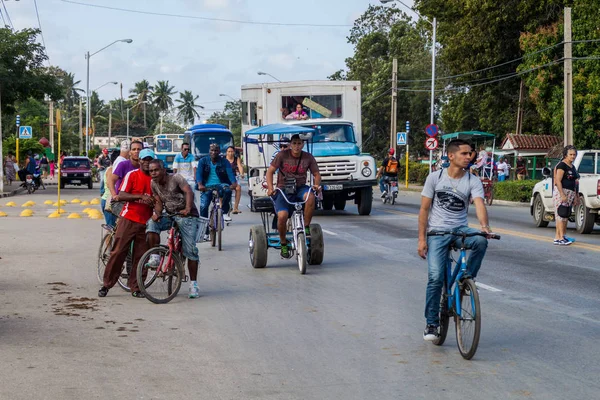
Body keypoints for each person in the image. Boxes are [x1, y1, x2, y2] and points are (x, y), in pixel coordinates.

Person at [417, 139, 491, 341]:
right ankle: (432, 323)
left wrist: (484, 227)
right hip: (437, 233)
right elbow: (424, 210)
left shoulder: (472, 180)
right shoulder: (435, 178)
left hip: (460, 230)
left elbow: (479, 204)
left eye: (471, 154)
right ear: (451, 156)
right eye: (465, 154)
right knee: (435, 277)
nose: (469, 157)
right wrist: (422, 239)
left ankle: (464, 281)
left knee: (480, 241)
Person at [98, 149, 156, 298]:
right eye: (145, 159)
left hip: (146, 222)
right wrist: (141, 196)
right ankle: (107, 284)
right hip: (129, 218)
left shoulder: (156, 178)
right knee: (118, 252)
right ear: (140, 161)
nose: (147, 163)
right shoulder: (133, 174)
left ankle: (136, 287)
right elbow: (122, 194)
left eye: (150, 160)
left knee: (141, 256)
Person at [147, 159, 202, 298]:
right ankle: (155, 256)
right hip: (171, 215)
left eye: (156, 170)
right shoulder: (153, 183)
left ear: (163, 170)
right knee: (152, 224)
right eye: (151, 171)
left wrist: (188, 208)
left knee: (190, 250)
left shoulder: (176, 178)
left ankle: (194, 284)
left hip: (187, 216)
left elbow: (189, 192)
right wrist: (157, 214)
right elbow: (158, 200)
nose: (153, 173)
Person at [266, 134, 321, 258]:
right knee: (282, 215)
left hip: (300, 188)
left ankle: (306, 226)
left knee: (311, 196)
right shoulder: (281, 155)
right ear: (290, 144)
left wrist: (316, 185)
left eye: (299, 143)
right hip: (283, 189)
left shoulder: (308, 157)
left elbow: (316, 174)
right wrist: (270, 188)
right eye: (294, 143)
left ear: (303, 144)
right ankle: (284, 242)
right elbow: (270, 171)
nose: (297, 146)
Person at [196, 143, 237, 239]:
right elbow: (199, 174)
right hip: (206, 186)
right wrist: (200, 184)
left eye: (216, 150)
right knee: (204, 206)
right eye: (212, 150)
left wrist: (234, 183)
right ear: (209, 151)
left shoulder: (224, 161)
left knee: (227, 191)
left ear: (219, 152)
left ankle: (225, 212)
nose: (214, 152)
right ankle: (205, 232)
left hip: (221, 184)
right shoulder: (203, 161)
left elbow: (230, 173)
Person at [553, 145, 579, 245]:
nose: (573, 156)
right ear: (565, 155)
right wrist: (562, 194)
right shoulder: (561, 165)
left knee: (565, 215)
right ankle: (559, 238)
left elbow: (575, 182)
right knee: (560, 214)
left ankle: (562, 236)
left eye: (574, 154)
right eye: (570, 154)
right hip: (562, 192)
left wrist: (576, 196)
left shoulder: (573, 167)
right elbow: (558, 181)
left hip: (571, 193)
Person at [172, 142, 197, 207]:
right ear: (181, 149)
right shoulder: (177, 156)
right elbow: (175, 168)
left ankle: (192, 205)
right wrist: (174, 178)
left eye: (188, 149)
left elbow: (194, 167)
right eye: (185, 149)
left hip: (189, 179)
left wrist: (195, 176)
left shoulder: (191, 156)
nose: (187, 151)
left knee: (192, 189)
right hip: (180, 178)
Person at [100, 151, 120, 228]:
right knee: (111, 229)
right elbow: (109, 185)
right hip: (109, 202)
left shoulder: (116, 169)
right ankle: (108, 240)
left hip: (114, 201)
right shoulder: (112, 170)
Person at [225, 146, 244, 214]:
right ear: (226, 152)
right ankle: (222, 206)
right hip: (225, 178)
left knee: (238, 188)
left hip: (234, 177)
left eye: (232, 151)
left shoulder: (236, 159)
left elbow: (240, 166)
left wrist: (241, 173)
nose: (230, 153)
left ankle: (235, 208)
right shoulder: (223, 159)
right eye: (229, 152)